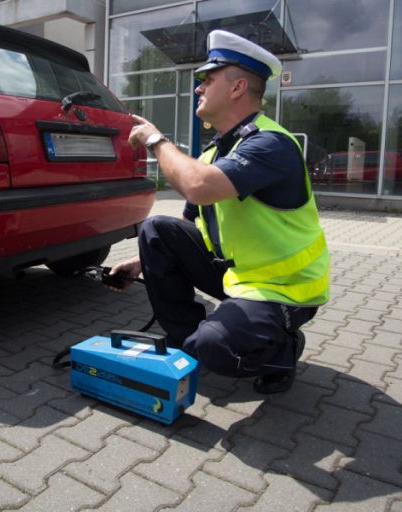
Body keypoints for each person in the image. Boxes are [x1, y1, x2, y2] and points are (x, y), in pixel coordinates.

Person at [110, 29, 330, 394]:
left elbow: (198, 185)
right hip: (239, 278)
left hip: (285, 290)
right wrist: (139, 262)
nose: (198, 88)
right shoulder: (217, 153)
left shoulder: (270, 143)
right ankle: (187, 342)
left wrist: (154, 139)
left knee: (215, 346)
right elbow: (187, 220)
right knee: (155, 229)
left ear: (237, 88)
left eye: (207, 80)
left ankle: (282, 349)